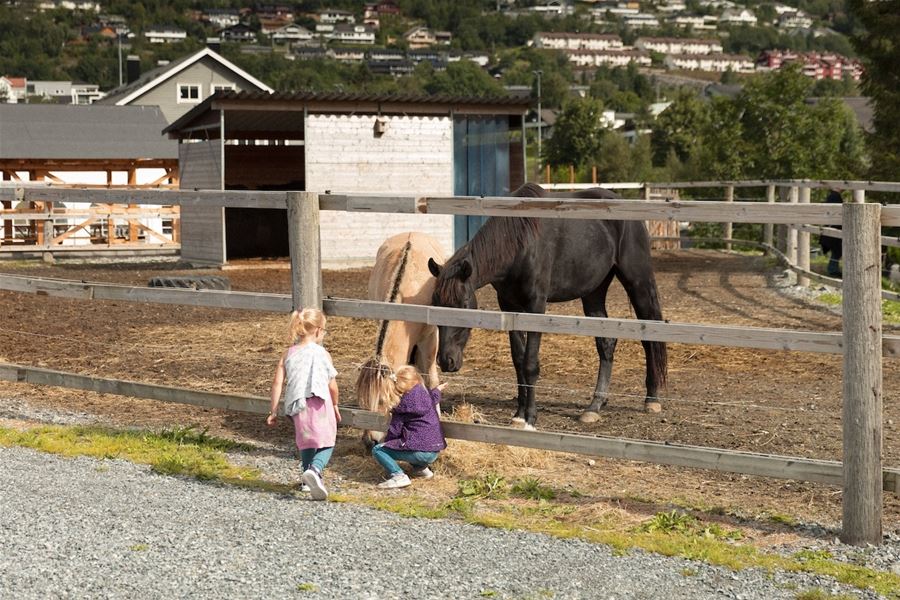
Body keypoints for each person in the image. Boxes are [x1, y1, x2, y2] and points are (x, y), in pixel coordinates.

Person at [267, 308, 340, 500]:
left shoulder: (288, 353)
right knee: (328, 440)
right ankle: (315, 470)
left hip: (296, 405)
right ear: (317, 330)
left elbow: (277, 383)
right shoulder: (323, 353)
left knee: (306, 441)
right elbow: (332, 385)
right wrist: (335, 405)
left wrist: (273, 410)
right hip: (320, 402)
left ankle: (306, 481)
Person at [372, 365, 446, 489]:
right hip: (435, 450)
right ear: (417, 380)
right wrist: (437, 390)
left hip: (420, 451)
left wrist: (388, 444)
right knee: (411, 442)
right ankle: (422, 470)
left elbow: (394, 431)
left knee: (378, 450)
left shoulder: (401, 406)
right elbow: (434, 398)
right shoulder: (426, 395)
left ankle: (399, 476)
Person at [821, 188, 843, 277]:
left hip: (834, 227)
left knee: (837, 250)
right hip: (834, 227)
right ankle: (833, 270)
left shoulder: (833, 196)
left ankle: (833, 269)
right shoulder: (834, 196)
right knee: (836, 250)